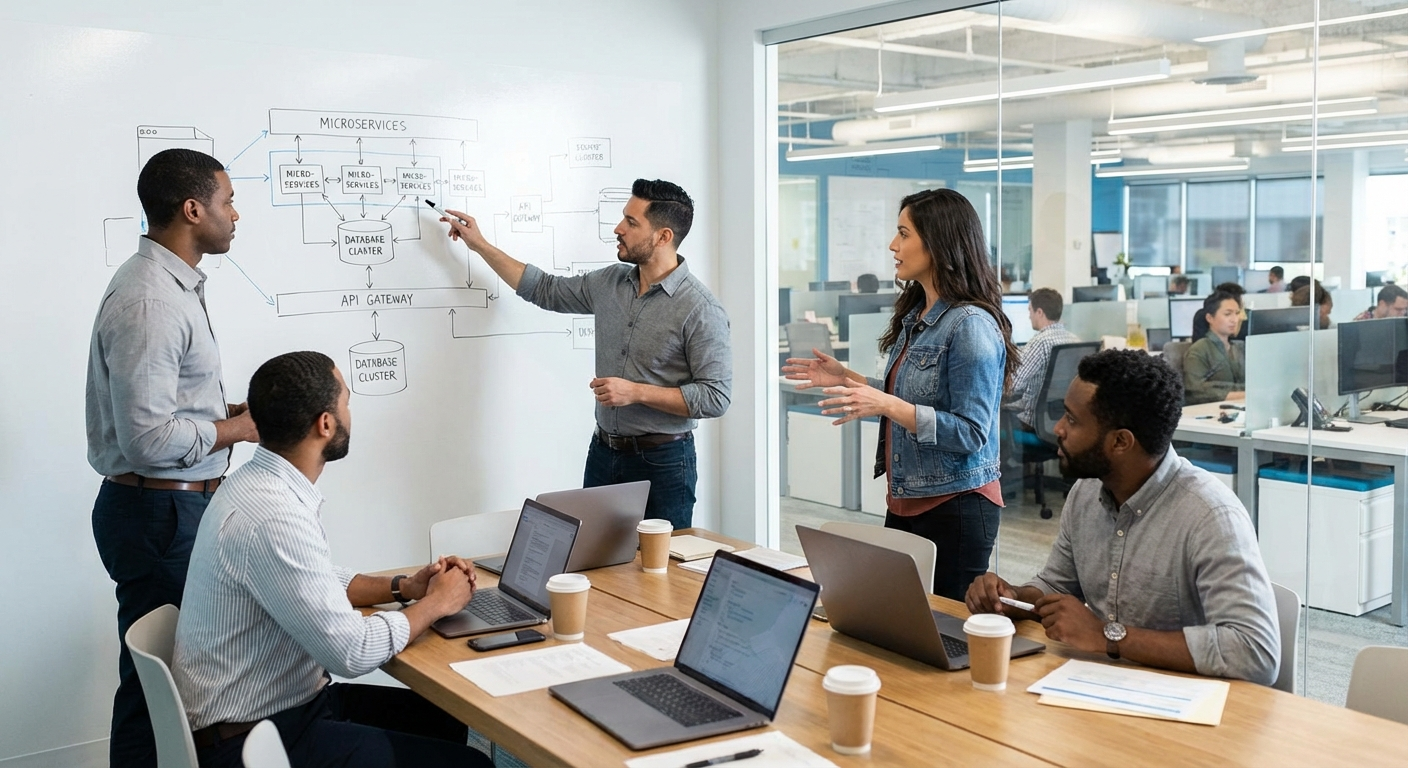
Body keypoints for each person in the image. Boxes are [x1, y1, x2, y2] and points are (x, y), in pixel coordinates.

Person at [173, 351, 491, 768]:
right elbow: (351, 653)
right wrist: (437, 604)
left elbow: (314, 580)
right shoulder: (273, 515)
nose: (349, 413)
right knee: (473, 765)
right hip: (256, 740)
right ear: (325, 424)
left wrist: (404, 587)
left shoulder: (252, 484)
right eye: (346, 402)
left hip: (278, 710)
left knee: (445, 718)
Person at [86, 148, 260, 767]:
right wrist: (238, 430)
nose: (236, 214)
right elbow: (149, 441)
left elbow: (169, 410)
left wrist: (228, 418)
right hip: (160, 516)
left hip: (168, 511)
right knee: (157, 689)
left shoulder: (169, 286)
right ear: (193, 209)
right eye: (228, 200)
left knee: (163, 683)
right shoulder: (152, 301)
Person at [965, 349, 1280, 685]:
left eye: (1072, 419)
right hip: (1100, 688)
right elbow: (1056, 585)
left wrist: (1109, 637)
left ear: (1120, 442)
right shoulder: (1086, 493)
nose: (1057, 428)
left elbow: (1255, 651)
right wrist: (1011, 598)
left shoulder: (1210, 515)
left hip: (1188, 707)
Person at [436, 179, 731, 530]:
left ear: (664, 237)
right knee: (596, 564)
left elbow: (716, 397)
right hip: (604, 453)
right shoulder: (610, 283)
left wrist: (636, 392)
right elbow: (544, 289)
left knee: (661, 574)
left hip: (664, 463)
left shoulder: (700, 308)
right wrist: (480, 245)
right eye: (624, 218)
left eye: (632, 223)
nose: (618, 229)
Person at [782, 189, 1018, 600]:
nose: (893, 245)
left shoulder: (971, 326)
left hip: (957, 504)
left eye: (903, 233)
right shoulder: (918, 316)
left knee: (946, 633)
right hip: (910, 498)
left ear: (938, 241)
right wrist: (845, 378)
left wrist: (887, 403)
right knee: (904, 621)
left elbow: (971, 434)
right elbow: (908, 397)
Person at [1004, 288, 1079, 430]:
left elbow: (1011, 385)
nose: (1029, 316)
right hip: (1061, 421)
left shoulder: (1040, 342)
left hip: (1034, 423)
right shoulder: (1074, 340)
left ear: (1039, 312)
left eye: (1030, 311)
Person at [1183, 290, 1246, 405]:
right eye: (1228, 314)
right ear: (1210, 318)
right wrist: (1245, 394)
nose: (1234, 319)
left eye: (1237, 313)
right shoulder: (1199, 350)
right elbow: (1195, 391)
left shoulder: (1240, 347)